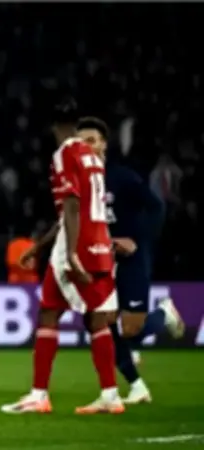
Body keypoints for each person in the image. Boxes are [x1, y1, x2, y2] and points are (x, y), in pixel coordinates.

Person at [1, 98, 124, 415]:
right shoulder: (92, 157)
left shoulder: (65, 153)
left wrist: (70, 253)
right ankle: (110, 395)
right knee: (93, 318)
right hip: (99, 243)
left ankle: (39, 395)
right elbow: (78, 209)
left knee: (50, 314)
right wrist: (40, 246)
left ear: (55, 126)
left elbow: (71, 205)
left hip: (76, 246)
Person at [76, 117, 184, 404]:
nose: (86, 147)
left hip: (132, 260)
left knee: (129, 330)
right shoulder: (78, 183)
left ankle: (162, 315)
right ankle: (136, 387)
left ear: (103, 145)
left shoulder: (122, 177)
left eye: (92, 141)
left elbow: (156, 207)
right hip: (101, 261)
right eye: (81, 142)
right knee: (101, 326)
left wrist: (137, 240)